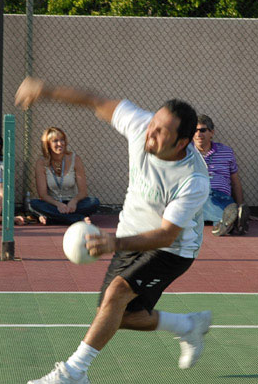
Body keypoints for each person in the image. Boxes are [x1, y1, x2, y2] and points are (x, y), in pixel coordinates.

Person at [16, 77, 212, 384]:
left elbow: (166, 235)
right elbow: (96, 100)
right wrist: (46, 90)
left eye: (162, 131)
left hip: (171, 249)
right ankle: (187, 325)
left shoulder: (193, 180)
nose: (152, 132)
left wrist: (112, 244)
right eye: (154, 123)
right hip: (129, 236)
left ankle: (73, 373)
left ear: (182, 142)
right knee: (118, 315)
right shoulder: (141, 125)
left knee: (116, 295)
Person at [29, 127, 101, 225]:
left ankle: (53, 219)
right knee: (33, 204)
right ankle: (77, 219)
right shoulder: (41, 162)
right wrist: (58, 204)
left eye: (62, 140)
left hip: (73, 205)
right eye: (55, 141)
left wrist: (74, 201)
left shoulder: (75, 159)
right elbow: (43, 195)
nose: (60, 143)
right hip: (53, 204)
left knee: (94, 202)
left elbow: (83, 192)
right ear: (48, 144)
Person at [193, 114, 249, 236]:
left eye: (202, 130)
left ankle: (227, 221)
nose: (198, 134)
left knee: (223, 204)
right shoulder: (185, 153)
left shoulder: (226, 152)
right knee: (204, 200)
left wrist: (240, 205)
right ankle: (231, 221)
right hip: (198, 195)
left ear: (211, 132)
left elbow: (235, 182)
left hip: (222, 196)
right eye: (195, 130)